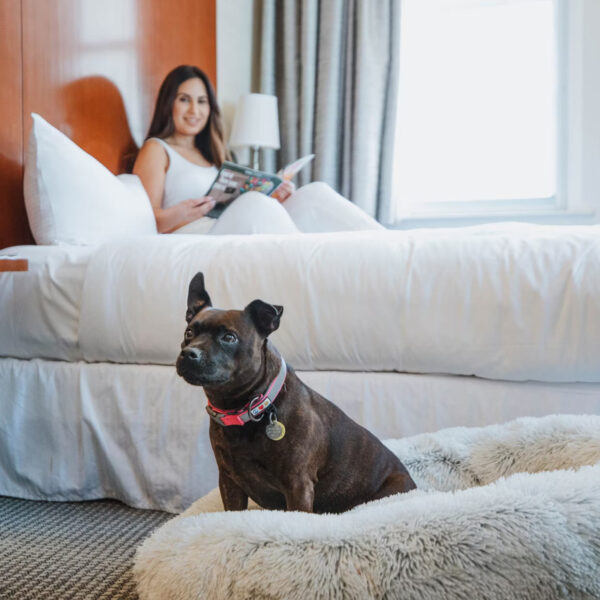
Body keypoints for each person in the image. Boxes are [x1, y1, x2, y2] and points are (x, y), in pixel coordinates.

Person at [133, 65, 383, 235]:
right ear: (169, 103)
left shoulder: (213, 154)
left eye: (202, 101)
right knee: (254, 204)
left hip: (230, 224)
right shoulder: (157, 149)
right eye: (184, 99)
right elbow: (144, 222)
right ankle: (306, 261)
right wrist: (180, 213)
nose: (194, 111)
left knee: (313, 195)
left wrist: (271, 193)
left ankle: (386, 245)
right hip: (198, 235)